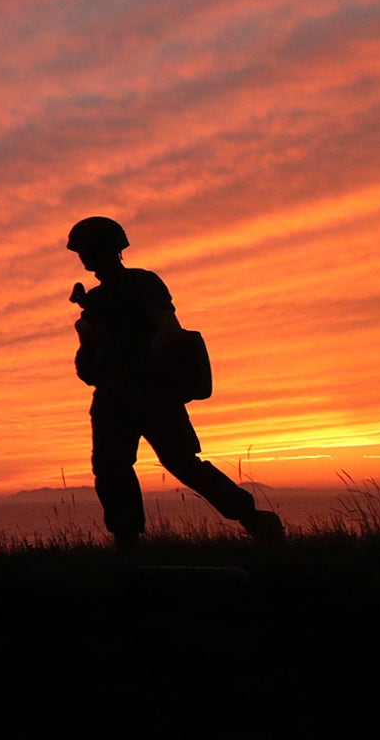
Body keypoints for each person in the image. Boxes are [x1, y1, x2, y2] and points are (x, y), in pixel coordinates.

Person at [67, 216, 284, 548]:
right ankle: (127, 541)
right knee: (111, 469)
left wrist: (143, 371)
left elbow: (168, 328)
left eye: (88, 249)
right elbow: (88, 365)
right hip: (114, 396)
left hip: (152, 392)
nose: (84, 256)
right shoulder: (94, 301)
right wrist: (88, 338)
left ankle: (252, 518)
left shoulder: (143, 283)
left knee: (182, 463)